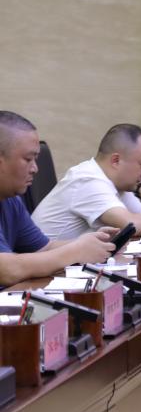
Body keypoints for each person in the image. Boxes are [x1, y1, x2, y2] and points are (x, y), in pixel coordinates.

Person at [0, 111, 114, 286]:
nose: (35, 169)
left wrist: (92, 243)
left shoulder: (11, 199)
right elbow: (7, 270)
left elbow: (43, 248)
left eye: (35, 159)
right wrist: (74, 252)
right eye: (28, 159)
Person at [34, 124, 141, 240]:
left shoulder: (116, 183)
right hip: (45, 269)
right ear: (116, 160)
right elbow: (130, 224)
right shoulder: (88, 180)